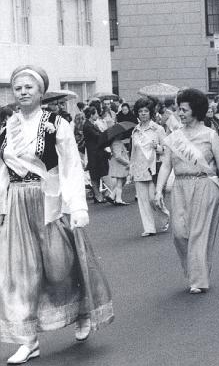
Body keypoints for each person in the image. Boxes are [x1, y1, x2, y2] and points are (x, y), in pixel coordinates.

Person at [0, 65, 113, 364]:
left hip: (51, 200)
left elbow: (71, 167)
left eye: (29, 87)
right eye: (18, 87)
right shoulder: (7, 127)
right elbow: (2, 171)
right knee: (20, 272)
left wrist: (77, 207)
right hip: (17, 203)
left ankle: (81, 311)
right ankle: (28, 340)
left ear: (40, 92)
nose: (23, 92)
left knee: (60, 265)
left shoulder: (56, 123)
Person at [154, 89, 219, 293]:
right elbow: (165, 165)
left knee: (199, 234)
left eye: (184, 110)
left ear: (195, 111)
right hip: (180, 187)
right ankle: (196, 271)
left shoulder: (210, 135)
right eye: (178, 109)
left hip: (204, 186)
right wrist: (158, 191)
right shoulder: (175, 137)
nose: (179, 113)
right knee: (179, 234)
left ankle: (198, 280)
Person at [130, 98, 170, 237]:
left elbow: (166, 149)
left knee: (154, 199)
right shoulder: (135, 131)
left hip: (153, 168)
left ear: (150, 112)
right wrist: (131, 169)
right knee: (142, 200)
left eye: (146, 111)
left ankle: (165, 216)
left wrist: (157, 147)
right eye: (140, 111)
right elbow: (133, 152)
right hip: (139, 168)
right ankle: (149, 227)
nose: (143, 114)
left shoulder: (157, 129)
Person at [82, 106, 111, 203]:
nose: (98, 115)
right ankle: (98, 195)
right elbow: (97, 136)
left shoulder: (91, 124)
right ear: (91, 115)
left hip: (96, 153)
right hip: (93, 153)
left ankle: (98, 194)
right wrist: (105, 134)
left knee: (97, 174)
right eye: (96, 113)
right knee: (94, 175)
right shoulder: (87, 125)